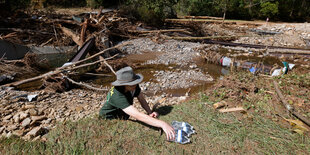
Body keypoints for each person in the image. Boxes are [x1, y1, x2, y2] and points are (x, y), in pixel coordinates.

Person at [99, 66, 175, 141]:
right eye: (132, 84)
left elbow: (141, 99)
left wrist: (149, 112)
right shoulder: (117, 95)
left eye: (136, 83)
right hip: (109, 117)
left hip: (122, 114)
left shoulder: (133, 86)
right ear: (123, 85)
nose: (135, 85)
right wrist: (162, 124)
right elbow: (137, 115)